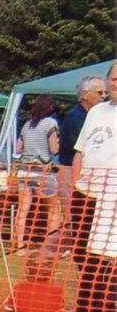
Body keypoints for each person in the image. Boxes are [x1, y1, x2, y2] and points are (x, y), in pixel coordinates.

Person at [66, 61, 117, 312]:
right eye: (113, 78)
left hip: (112, 195)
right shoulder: (96, 111)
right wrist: (75, 184)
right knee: (83, 253)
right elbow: (80, 151)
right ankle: (85, 309)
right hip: (86, 193)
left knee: (107, 257)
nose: (115, 83)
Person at [11, 94, 60, 251]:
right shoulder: (51, 123)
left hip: (24, 171)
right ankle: (51, 246)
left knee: (23, 209)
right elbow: (54, 149)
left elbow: (18, 149)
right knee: (53, 208)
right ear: (50, 108)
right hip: (42, 172)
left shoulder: (27, 125)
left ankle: (19, 245)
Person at [56, 76, 105, 231]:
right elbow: (82, 149)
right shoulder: (75, 116)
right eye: (99, 92)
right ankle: (67, 249)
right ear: (84, 94)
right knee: (75, 219)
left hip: (86, 174)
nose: (104, 96)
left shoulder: (95, 116)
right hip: (72, 172)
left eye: (104, 92)